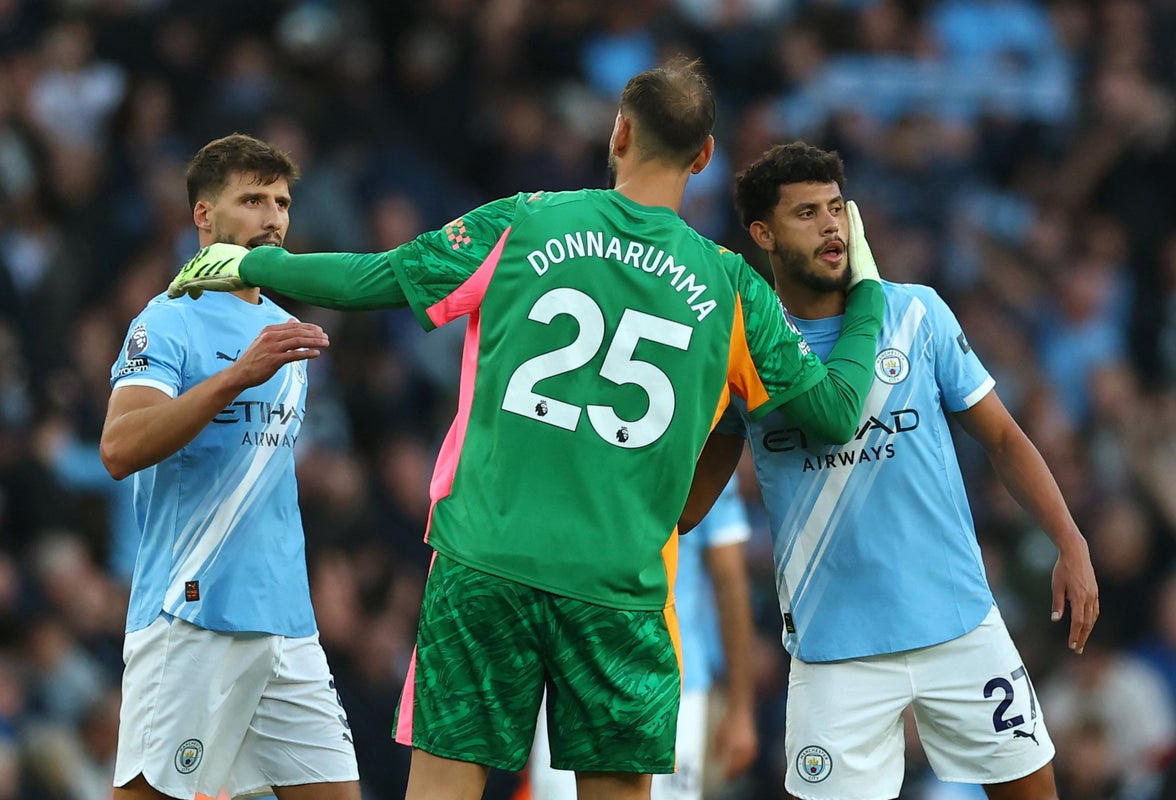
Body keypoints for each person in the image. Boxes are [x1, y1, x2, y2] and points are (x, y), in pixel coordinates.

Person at [164, 58, 886, 800]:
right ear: (704, 157)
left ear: (620, 133)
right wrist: (865, 292)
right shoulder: (734, 286)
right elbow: (832, 415)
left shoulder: (523, 220)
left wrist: (256, 258)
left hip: (484, 564)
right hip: (618, 591)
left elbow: (365, 280)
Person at [682, 141, 1100, 800]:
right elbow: (687, 506)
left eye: (834, 209)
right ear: (762, 233)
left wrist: (1070, 541)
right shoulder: (745, 351)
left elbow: (1004, 439)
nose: (830, 226)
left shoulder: (916, 314)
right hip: (835, 652)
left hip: (959, 625)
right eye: (805, 214)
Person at [100, 133, 360, 800]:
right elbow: (119, 448)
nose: (273, 216)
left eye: (282, 201)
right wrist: (235, 378)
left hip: (286, 622)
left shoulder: (282, 324)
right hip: (193, 614)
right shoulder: (167, 322)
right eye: (252, 199)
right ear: (204, 217)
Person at [529, 475, 759, 800]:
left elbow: (729, 579)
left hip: (672, 686)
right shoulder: (698, 437)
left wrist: (740, 709)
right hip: (580, 676)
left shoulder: (704, 443)